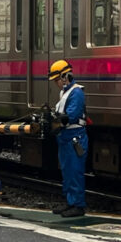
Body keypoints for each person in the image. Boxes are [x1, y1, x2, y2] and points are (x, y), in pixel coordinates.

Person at [48, 59, 87, 218]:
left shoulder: (76, 92)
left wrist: (56, 119)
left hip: (74, 137)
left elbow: (71, 115)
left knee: (74, 171)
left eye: (57, 79)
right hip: (66, 137)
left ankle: (77, 205)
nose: (57, 83)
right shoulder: (65, 92)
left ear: (66, 76)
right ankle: (70, 202)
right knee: (67, 171)